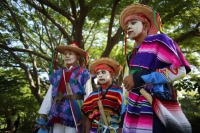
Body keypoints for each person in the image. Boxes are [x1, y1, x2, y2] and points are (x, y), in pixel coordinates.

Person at [119, 3, 192, 133]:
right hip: (131, 113)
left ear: (146, 25)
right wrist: (122, 119)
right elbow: (126, 88)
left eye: (133, 22)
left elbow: (180, 70)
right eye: (126, 25)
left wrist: (140, 77)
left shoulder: (160, 40)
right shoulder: (130, 55)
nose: (128, 26)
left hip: (154, 107)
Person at [38, 42, 92, 133]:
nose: (67, 56)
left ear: (77, 57)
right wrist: (44, 112)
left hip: (74, 111)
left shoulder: (83, 72)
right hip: (56, 110)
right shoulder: (57, 73)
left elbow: (88, 94)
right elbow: (50, 94)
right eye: (65, 54)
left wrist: (87, 116)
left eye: (70, 54)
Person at [81, 57, 123, 133]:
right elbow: (89, 117)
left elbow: (124, 113)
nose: (100, 75)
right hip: (95, 130)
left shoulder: (119, 91)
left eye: (103, 72)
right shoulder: (93, 94)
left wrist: (121, 129)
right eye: (98, 73)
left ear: (111, 74)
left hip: (113, 130)